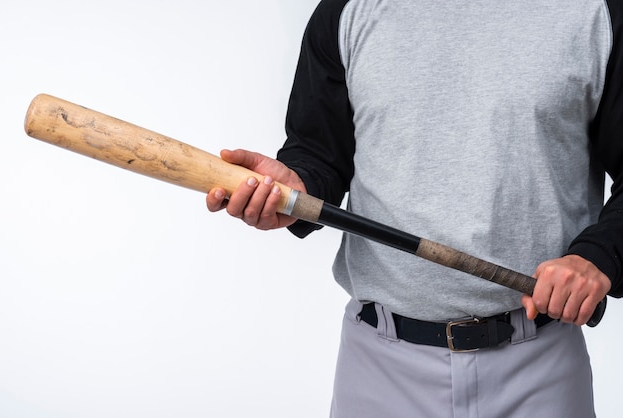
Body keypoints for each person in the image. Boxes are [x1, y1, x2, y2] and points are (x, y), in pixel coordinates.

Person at [207, 0, 623, 416]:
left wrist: (597, 256)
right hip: (380, 371)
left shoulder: (596, 12)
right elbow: (319, 155)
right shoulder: (346, 9)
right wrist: (296, 189)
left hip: (541, 370)